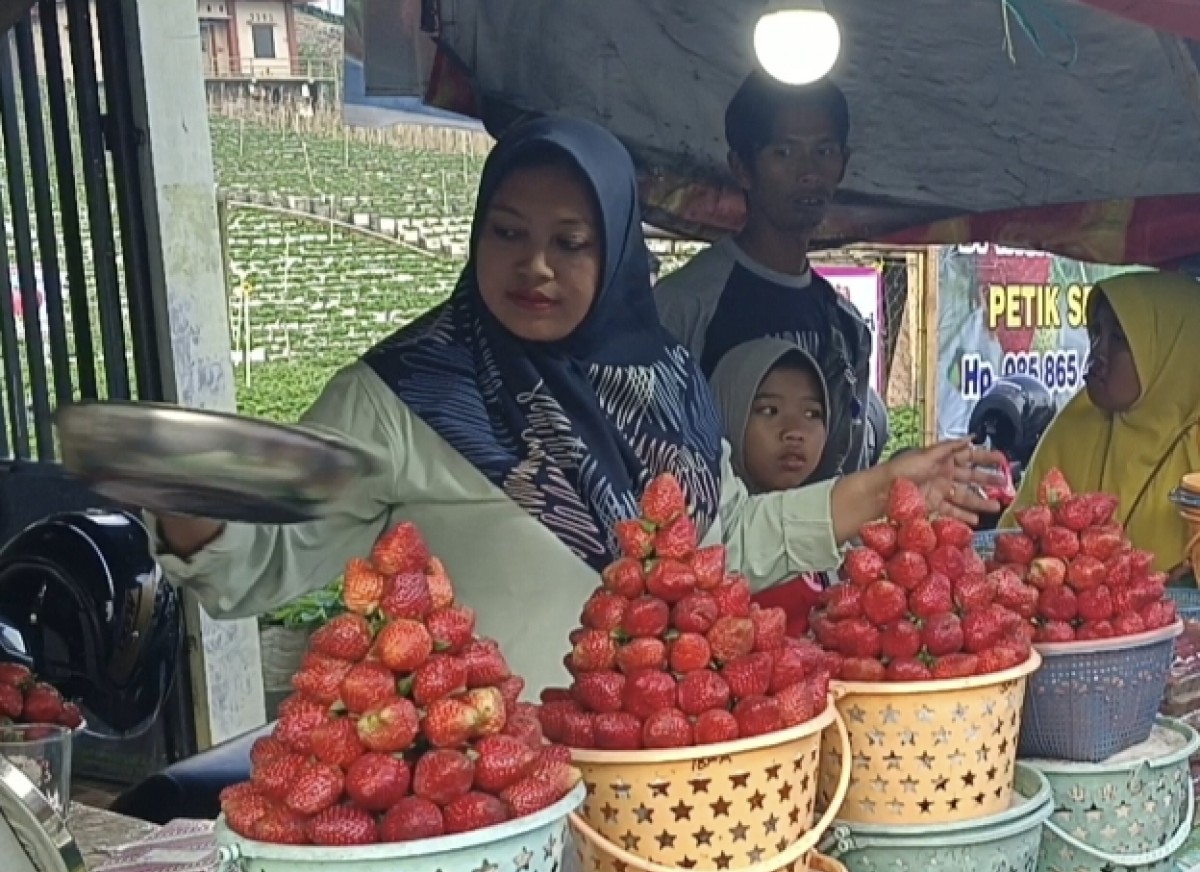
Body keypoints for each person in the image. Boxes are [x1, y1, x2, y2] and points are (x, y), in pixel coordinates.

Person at [156, 116, 1002, 696]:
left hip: (657, 791)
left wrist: (884, 489)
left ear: (619, 250)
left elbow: (722, 550)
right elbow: (267, 564)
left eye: (572, 242)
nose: (537, 268)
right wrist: (191, 511)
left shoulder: (669, 384)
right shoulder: (401, 395)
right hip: (476, 809)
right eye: (508, 233)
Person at [656, 70, 872, 482]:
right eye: (784, 153)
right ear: (742, 167)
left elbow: (848, 474)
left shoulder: (847, 328)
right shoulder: (684, 308)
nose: (808, 172)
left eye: (824, 151)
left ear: (844, 164)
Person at [1002, 271, 1200, 574]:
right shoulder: (1074, 427)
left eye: (1119, 339)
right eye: (1096, 332)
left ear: (1173, 349)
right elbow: (1010, 550)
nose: (1098, 353)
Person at [709, 337, 834, 635]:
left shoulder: (834, 525)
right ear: (728, 411)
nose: (794, 431)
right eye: (769, 411)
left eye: (811, 414)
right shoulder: (708, 536)